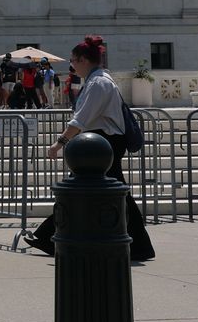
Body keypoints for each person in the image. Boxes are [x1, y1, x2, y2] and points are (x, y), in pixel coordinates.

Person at [26, 36, 157, 261]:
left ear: (85, 60)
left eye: (74, 60)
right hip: (101, 143)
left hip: (102, 144)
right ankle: (48, 236)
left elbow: (82, 119)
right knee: (106, 192)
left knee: (85, 191)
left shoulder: (99, 83)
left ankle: (49, 236)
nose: (71, 65)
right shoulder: (98, 81)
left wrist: (59, 143)